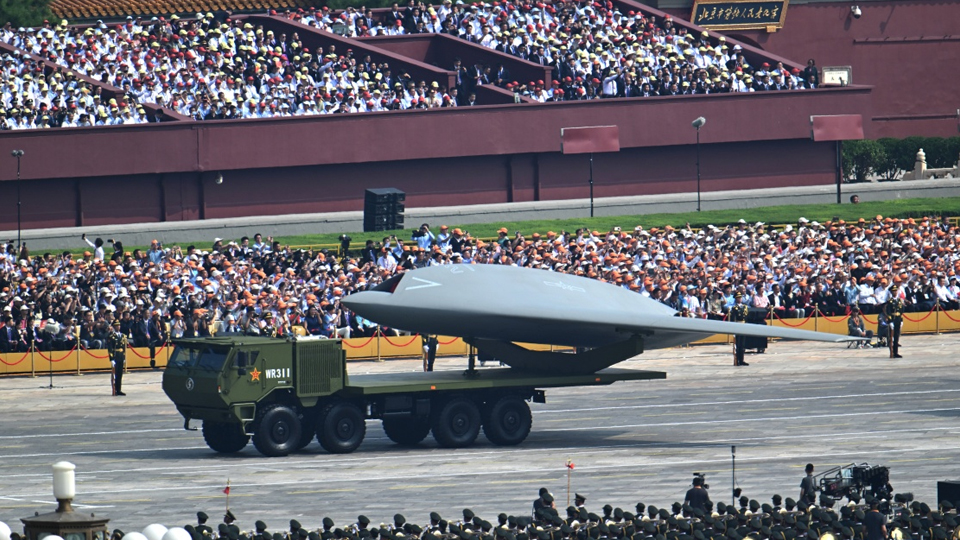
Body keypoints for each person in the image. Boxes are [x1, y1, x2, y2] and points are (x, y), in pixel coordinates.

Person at [107, 320, 128, 396]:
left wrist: (124, 357)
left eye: (119, 325)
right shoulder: (111, 336)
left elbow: (124, 348)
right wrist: (111, 359)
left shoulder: (123, 336)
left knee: (120, 374)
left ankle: (119, 389)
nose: (118, 327)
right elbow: (110, 348)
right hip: (115, 356)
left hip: (121, 356)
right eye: (116, 326)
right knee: (115, 374)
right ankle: (115, 389)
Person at [883, 285, 904, 358]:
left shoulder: (899, 300)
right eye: (893, 291)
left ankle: (896, 352)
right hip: (893, 319)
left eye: (895, 291)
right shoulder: (890, 301)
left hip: (898, 319)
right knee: (891, 337)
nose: (895, 292)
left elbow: (901, 311)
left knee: (897, 336)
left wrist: (901, 320)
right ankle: (892, 352)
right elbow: (888, 312)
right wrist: (890, 321)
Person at [729, 292, 750, 366]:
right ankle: (737, 360)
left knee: (742, 344)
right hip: (737, 325)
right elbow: (733, 318)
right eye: (738, 298)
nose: (739, 299)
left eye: (740, 297)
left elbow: (746, 317)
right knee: (738, 344)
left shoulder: (745, 307)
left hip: (743, 325)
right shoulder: (734, 308)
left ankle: (742, 360)